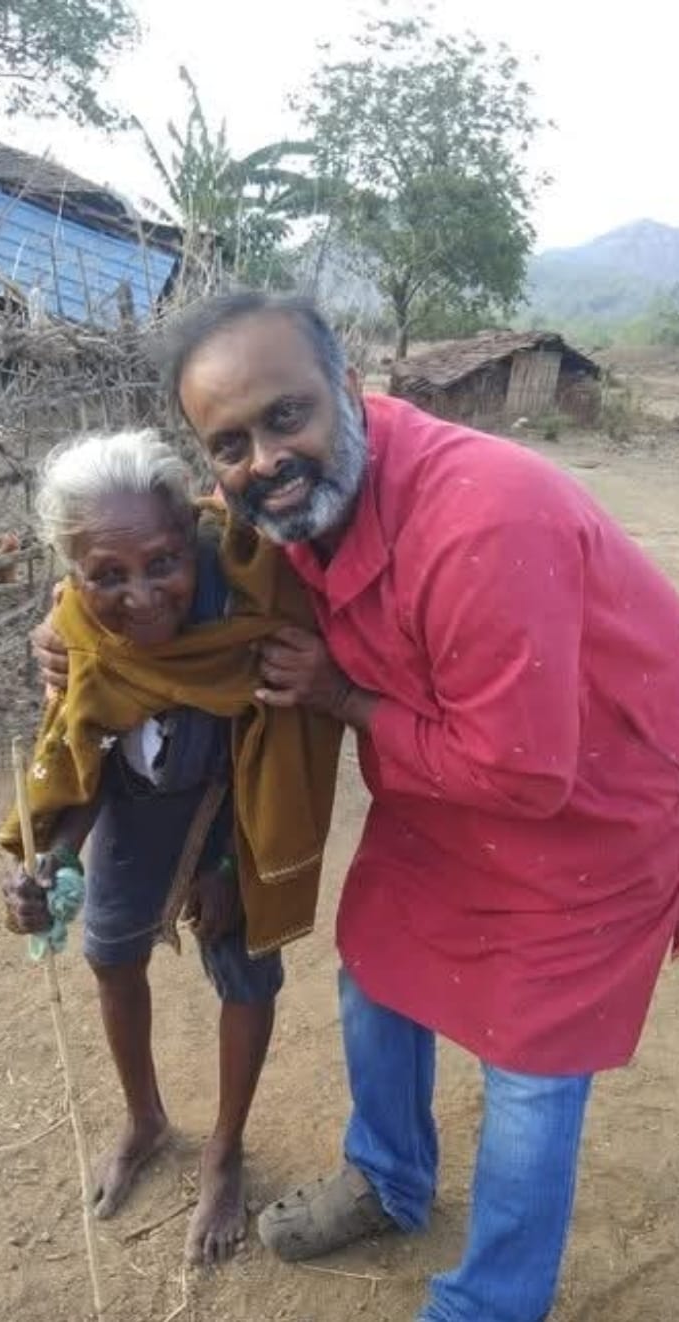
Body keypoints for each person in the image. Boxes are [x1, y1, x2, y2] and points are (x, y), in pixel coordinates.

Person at [34, 293, 679, 1322]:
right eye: (230, 441)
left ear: (350, 387)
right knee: (376, 965)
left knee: (527, 1062)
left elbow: (525, 776)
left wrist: (340, 694)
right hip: (444, 772)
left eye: (286, 415)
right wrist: (72, 632)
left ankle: (488, 1302)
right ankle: (388, 1176)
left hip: (589, 802)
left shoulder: (482, 517)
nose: (266, 458)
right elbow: (151, 558)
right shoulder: (281, 511)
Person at [0, 429, 340, 1266]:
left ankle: (225, 1150)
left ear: (188, 534)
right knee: (110, 954)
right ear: (73, 573)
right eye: (106, 575)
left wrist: (226, 864)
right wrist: (50, 861)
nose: (142, 595)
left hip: (237, 798)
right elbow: (85, 747)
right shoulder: (77, 621)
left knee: (244, 964)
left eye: (161, 563)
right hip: (136, 796)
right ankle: (145, 1118)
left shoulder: (249, 597)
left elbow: (267, 740)